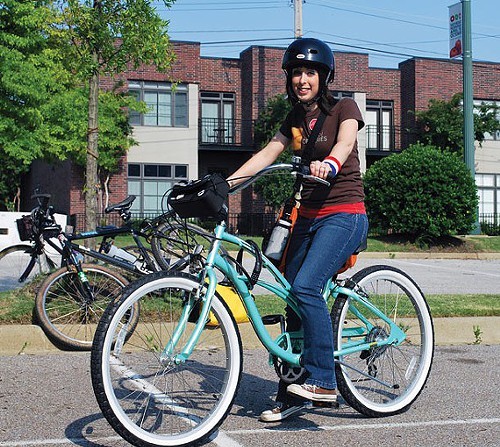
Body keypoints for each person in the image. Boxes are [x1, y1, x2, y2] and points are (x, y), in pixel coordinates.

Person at [227, 37, 369, 422]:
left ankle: (324, 381)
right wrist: (223, 186)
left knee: (306, 287)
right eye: (297, 73)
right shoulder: (293, 121)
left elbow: (345, 142)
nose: (302, 80)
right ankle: (293, 393)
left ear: (324, 76)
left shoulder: (344, 108)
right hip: (305, 217)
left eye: (310, 73)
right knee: (293, 298)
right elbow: (266, 155)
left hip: (344, 214)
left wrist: (331, 164)